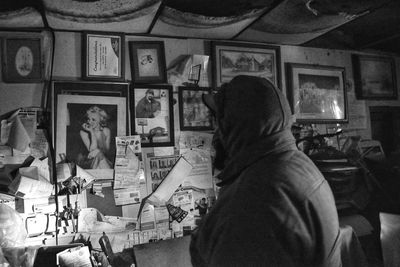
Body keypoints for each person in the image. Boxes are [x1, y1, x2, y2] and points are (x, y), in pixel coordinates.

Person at [190, 75, 342, 266]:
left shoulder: (250, 199)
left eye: (218, 121)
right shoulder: (299, 164)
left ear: (233, 125)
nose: (216, 133)